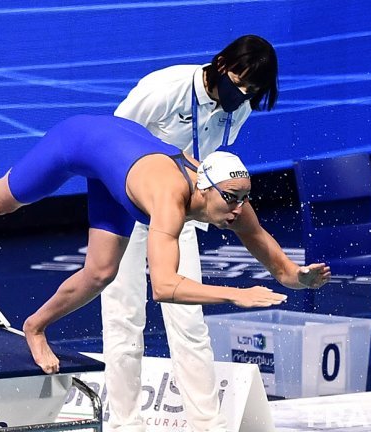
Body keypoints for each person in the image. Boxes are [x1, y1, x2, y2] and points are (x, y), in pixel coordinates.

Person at [0, 115, 330, 381]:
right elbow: (164, 287)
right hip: (79, 141)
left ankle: (35, 326)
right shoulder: (169, 200)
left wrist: (299, 277)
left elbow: (278, 265)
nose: (239, 209)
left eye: (244, 198)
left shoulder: (230, 196)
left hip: (120, 166)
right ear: (205, 189)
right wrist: (234, 295)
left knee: (101, 272)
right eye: (232, 199)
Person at [102, 35, 278, 431]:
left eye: (253, 90)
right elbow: (112, 138)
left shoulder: (240, 107)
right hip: (125, 205)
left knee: (189, 319)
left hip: (179, 210)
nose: (244, 95)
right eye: (241, 83)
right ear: (221, 65)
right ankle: (123, 425)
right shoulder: (165, 90)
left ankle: (207, 424)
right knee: (124, 316)